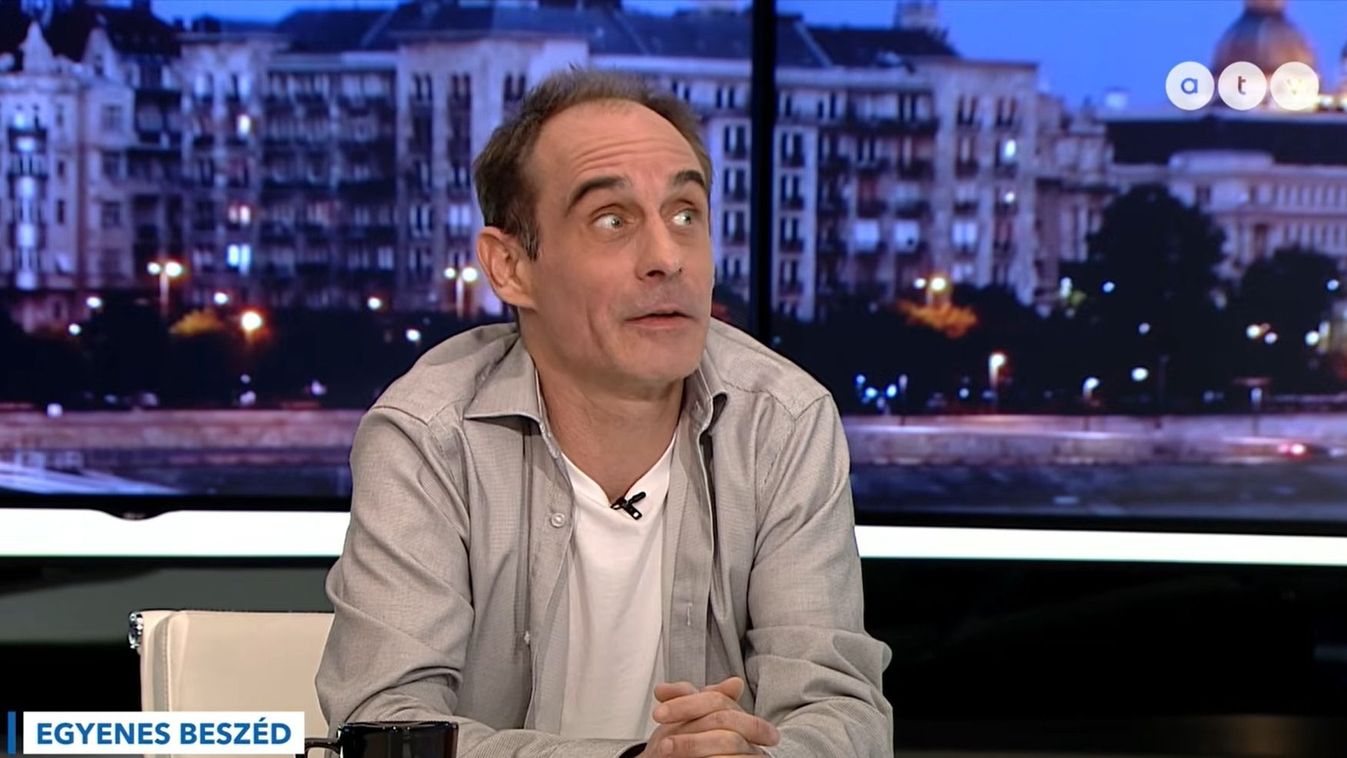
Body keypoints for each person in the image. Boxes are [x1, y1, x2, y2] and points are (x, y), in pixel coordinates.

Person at [315, 68, 892, 758]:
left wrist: (759, 756)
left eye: (686, 215)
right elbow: (386, 727)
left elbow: (839, 710)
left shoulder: (783, 422)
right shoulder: (426, 436)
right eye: (612, 220)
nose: (667, 258)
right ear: (509, 268)